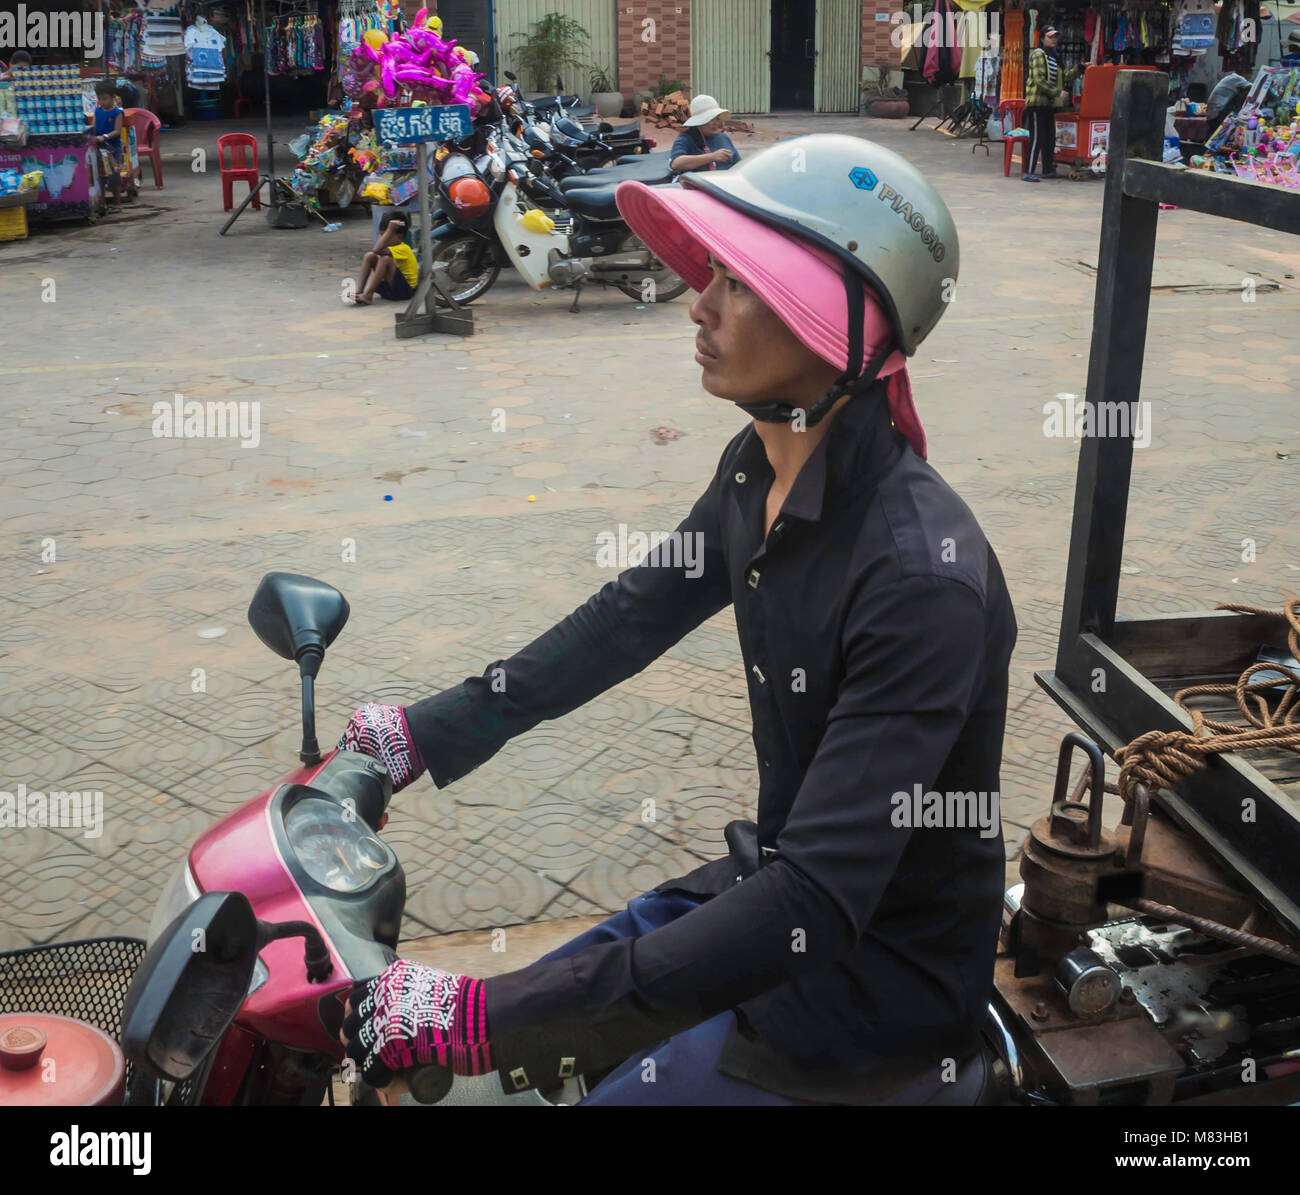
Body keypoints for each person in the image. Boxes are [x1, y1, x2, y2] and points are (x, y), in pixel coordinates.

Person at [337, 134, 1017, 1106]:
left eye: (739, 283)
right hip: (757, 895)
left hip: (861, 988)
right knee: (487, 1065)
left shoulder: (918, 580)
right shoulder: (760, 466)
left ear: (839, 327)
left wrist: (490, 1015)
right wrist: (423, 732)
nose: (697, 304)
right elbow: (626, 621)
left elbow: (823, 896)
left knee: (519, 1037)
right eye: (714, 274)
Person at [1022, 26, 1081, 181]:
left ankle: (1047, 170)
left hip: (1049, 105)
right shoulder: (1038, 54)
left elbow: (1065, 77)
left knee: (1049, 138)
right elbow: (1039, 80)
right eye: (1050, 37)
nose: (1053, 39)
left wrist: (1080, 68)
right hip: (1037, 104)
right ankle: (1028, 172)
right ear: (1042, 39)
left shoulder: (1054, 58)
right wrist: (1057, 93)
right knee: (1036, 138)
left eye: (1055, 37)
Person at [352, 210, 418, 306]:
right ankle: (359, 291)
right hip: (391, 290)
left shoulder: (404, 248)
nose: (383, 239)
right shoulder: (392, 247)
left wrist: (390, 230)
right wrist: (389, 231)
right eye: (382, 236)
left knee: (385, 259)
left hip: (404, 292)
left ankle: (368, 295)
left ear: (400, 237)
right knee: (369, 256)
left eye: (386, 236)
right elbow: (375, 252)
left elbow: (377, 250)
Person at [669, 93, 740, 173]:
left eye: (717, 118)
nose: (716, 123)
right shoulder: (686, 139)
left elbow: (739, 164)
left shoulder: (723, 137)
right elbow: (676, 163)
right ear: (699, 122)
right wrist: (712, 157)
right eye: (710, 119)